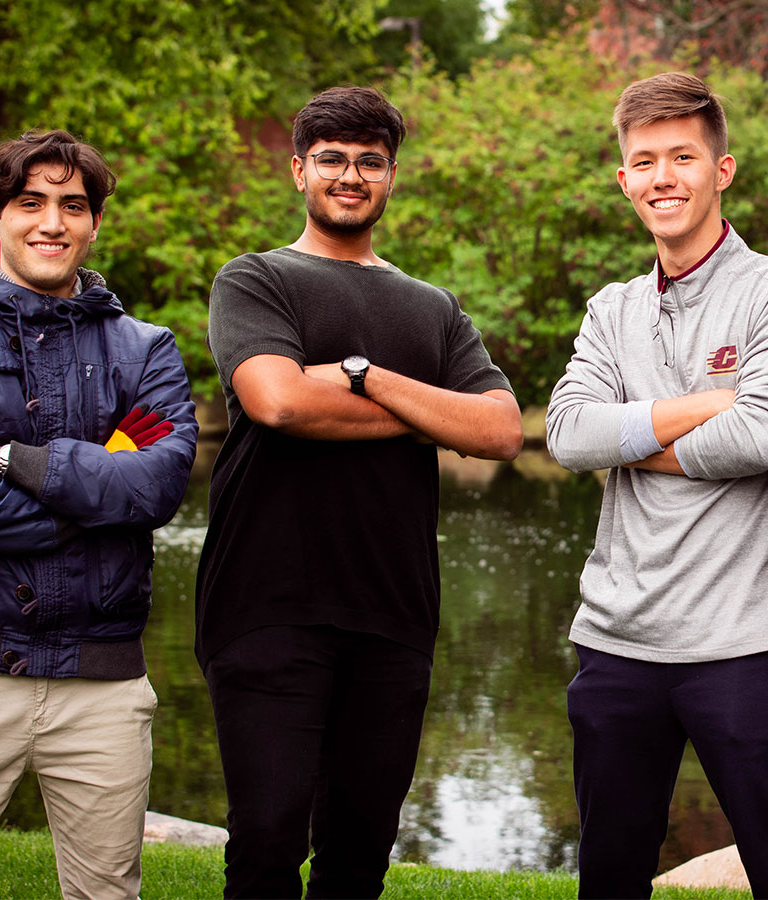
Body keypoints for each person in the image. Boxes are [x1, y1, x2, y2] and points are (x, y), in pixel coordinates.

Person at [195, 85, 522, 899]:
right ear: (299, 170)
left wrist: (362, 376)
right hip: (265, 601)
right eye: (332, 160)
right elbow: (276, 401)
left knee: (359, 856)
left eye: (369, 162)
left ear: (391, 177)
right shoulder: (255, 280)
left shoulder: (433, 308)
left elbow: (501, 432)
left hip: (393, 611)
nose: (351, 175)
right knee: (267, 844)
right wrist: (429, 414)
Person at [0, 129, 198, 900]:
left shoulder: (146, 349)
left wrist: (27, 464)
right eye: (31, 203)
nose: (52, 222)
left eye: (73, 205)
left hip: (104, 682)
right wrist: (93, 502)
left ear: (93, 225)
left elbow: (157, 488)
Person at [546, 71, 768, 899]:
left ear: (723, 170)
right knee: (608, 878)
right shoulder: (612, 309)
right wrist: (710, 402)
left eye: (682, 157)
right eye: (644, 161)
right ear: (624, 179)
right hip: (615, 640)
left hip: (745, 641)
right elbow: (569, 435)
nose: (662, 177)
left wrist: (631, 434)